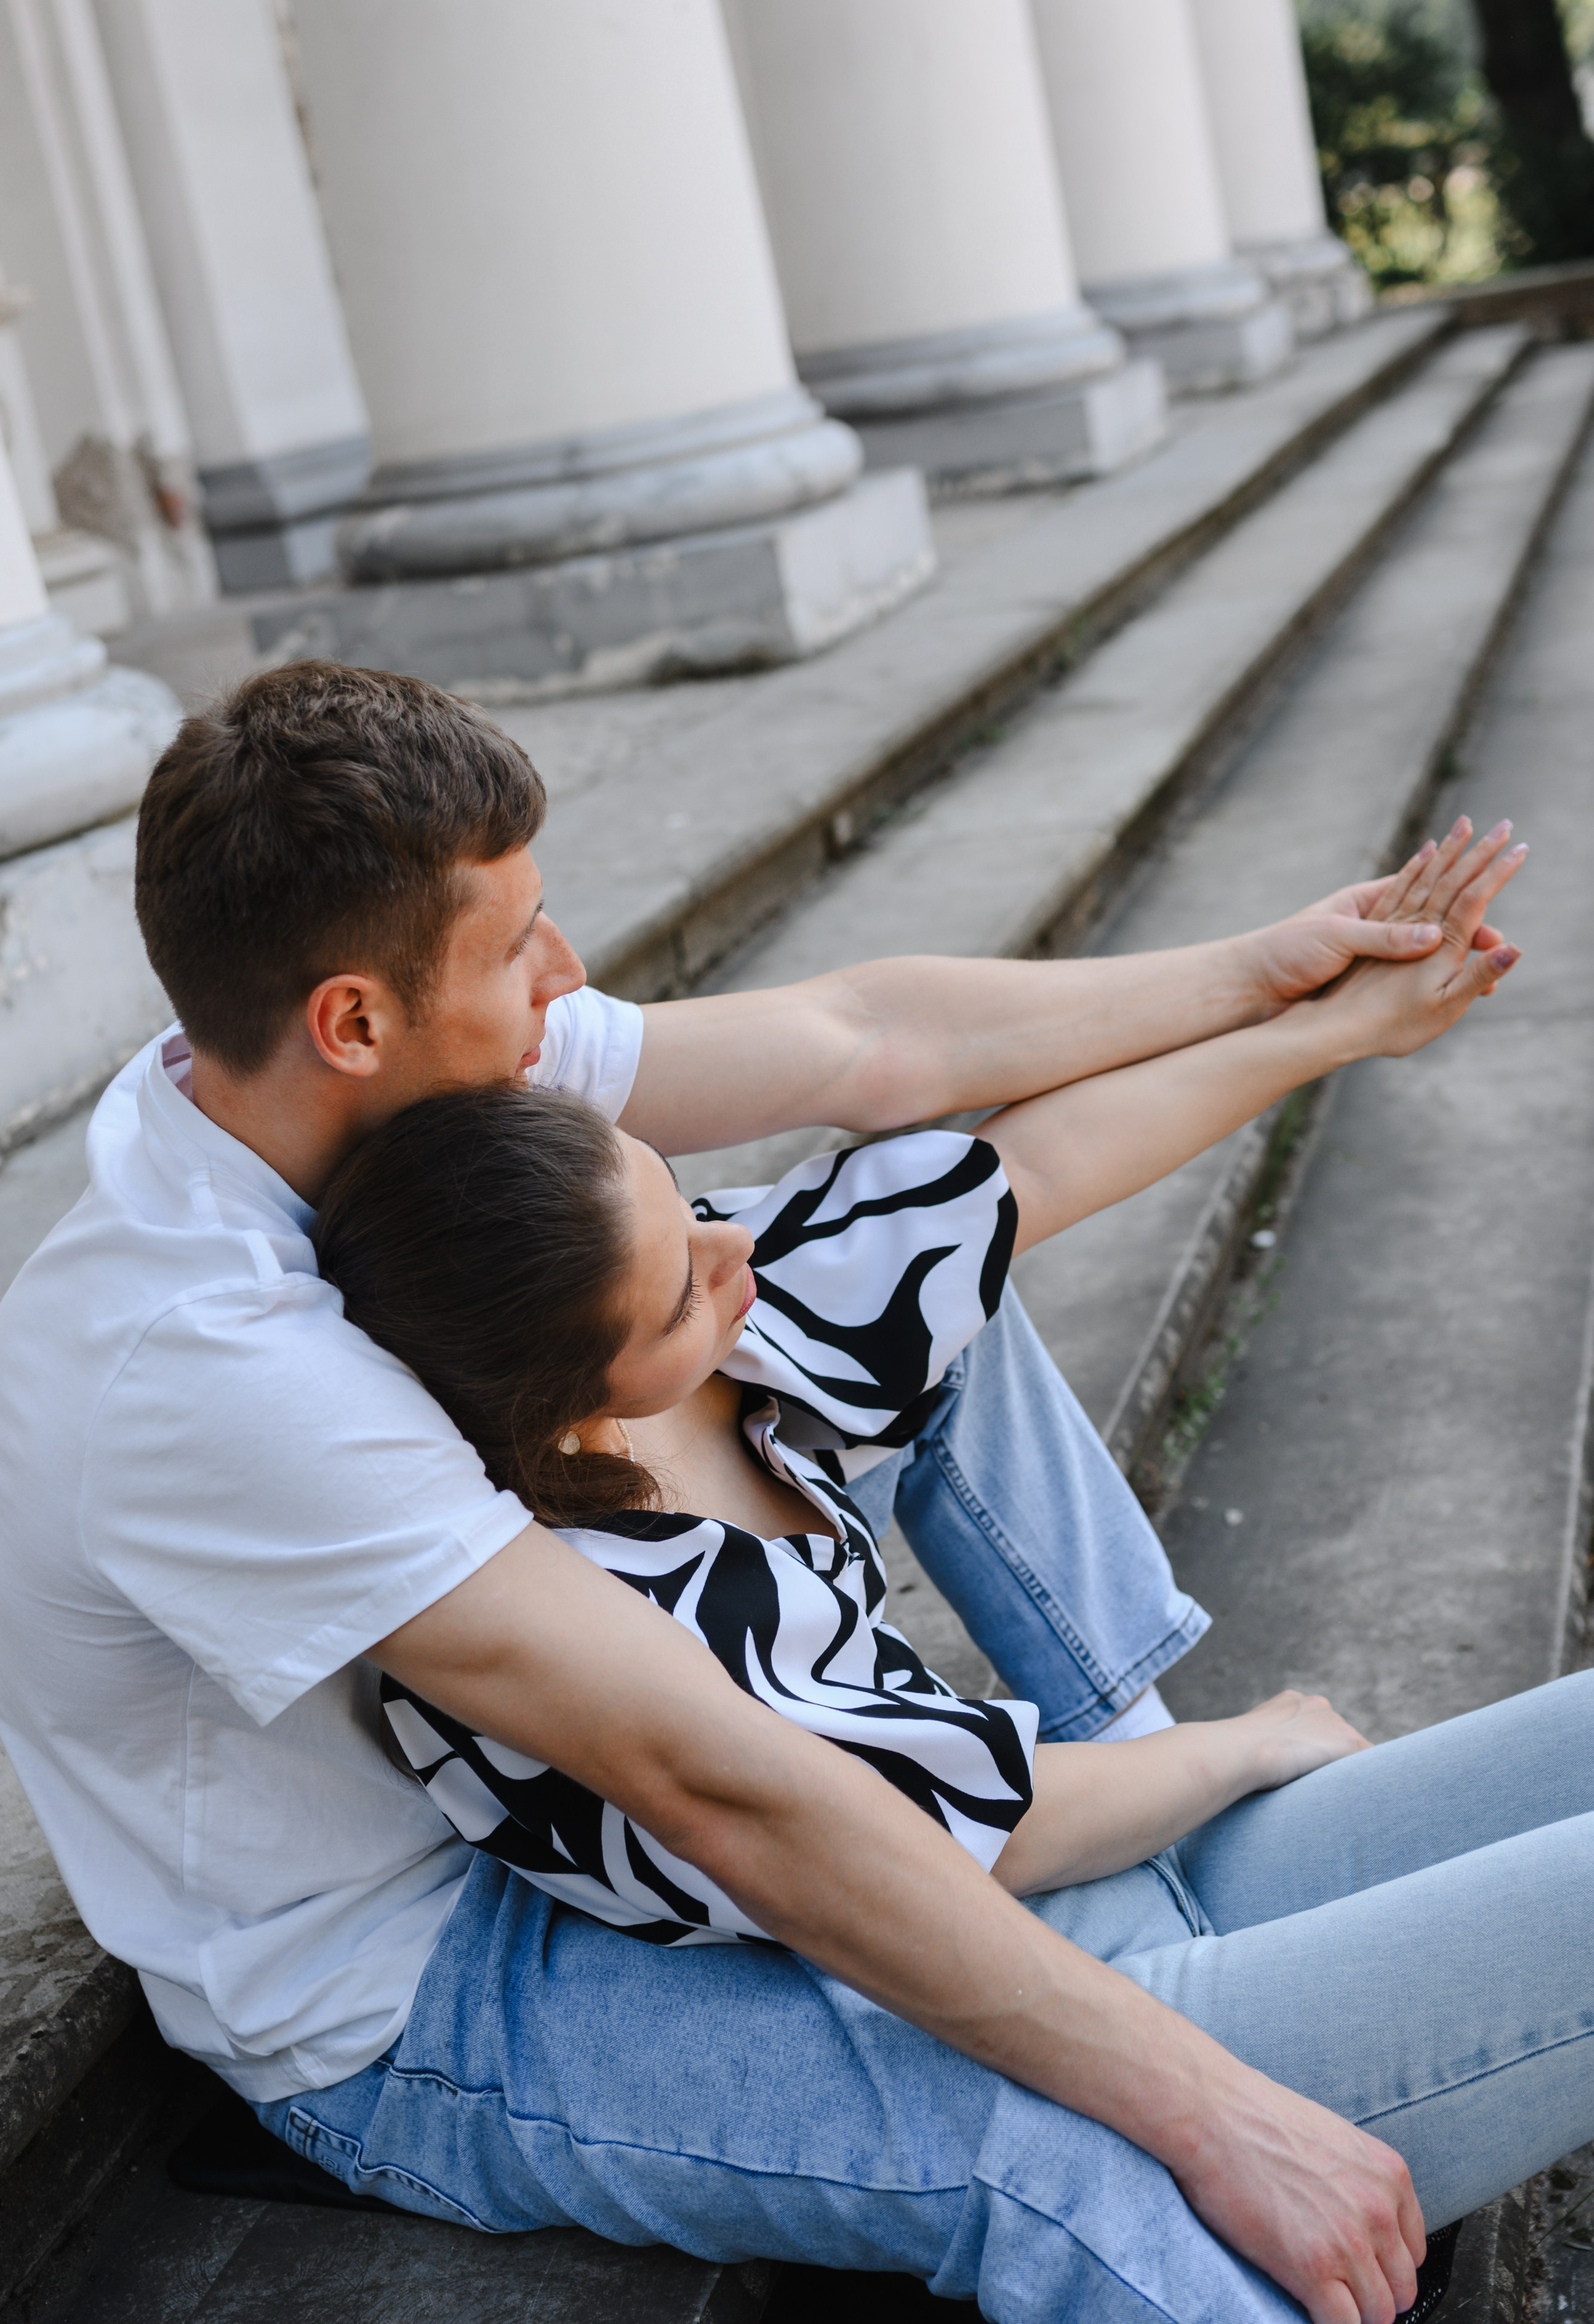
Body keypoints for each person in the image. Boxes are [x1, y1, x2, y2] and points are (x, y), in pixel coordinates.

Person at [0, 661, 1522, 2324]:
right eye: (517, 952)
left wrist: (1271, 973)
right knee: (1071, 2149)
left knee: (852, 1290)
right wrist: (1219, 2108)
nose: (565, 985)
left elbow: (872, 1042)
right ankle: (1130, 1859)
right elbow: (708, 1777)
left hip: (569, 1791)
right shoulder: (213, 1365)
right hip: (419, 1976)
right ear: (352, 1020)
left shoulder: (372, 1092)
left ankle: (1132, 1770)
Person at [299, 984, 1594, 2292]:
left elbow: (1011, 1174)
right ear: (571, 1405)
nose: (733, 1254)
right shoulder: (568, 1630)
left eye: (677, 1200)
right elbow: (954, 1835)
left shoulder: (696, 1324)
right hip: (1064, 2018)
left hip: (1117, 1876)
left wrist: (1331, 1025)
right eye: (683, 1291)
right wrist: (1236, 1747)